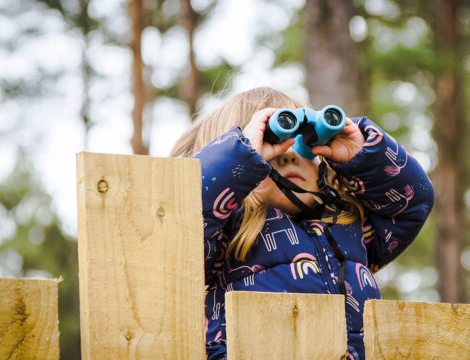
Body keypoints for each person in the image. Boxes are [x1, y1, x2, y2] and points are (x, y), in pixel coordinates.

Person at [170, 87, 434, 359]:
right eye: (272, 142)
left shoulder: (349, 228)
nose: (289, 154)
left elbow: (411, 203)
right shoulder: (221, 234)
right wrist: (243, 156)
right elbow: (175, 221)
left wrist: (364, 154)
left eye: (303, 141)